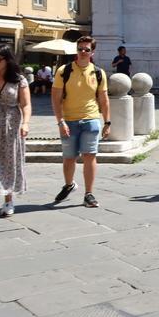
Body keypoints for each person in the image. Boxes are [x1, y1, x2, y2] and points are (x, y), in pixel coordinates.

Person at [51, 36, 111, 208]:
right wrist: (60, 121)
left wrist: (107, 122)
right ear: (76, 50)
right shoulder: (64, 70)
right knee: (69, 158)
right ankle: (69, 185)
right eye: (80, 49)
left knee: (90, 156)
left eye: (86, 49)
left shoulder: (99, 73)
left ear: (93, 52)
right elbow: (55, 98)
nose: (83, 52)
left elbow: (104, 99)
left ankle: (89, 194)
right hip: (69, 120)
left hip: (91, 119)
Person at [0, 45, 31, 217]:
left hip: (10, 125)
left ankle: (8, 201)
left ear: (7, 60)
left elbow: (26, 105)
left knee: (8, 162)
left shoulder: (19, 80)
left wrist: (25, 123)